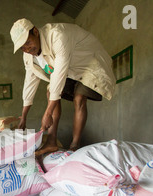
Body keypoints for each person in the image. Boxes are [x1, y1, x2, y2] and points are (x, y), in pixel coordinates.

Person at [10, 18, 116, 154]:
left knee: (79, 98)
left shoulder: (57, 36)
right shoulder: (28, 56)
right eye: (22, 48)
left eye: (28, 42)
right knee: (50, 93)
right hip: (69, 71)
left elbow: (59, 75)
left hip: (89, 64)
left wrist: (47, 113)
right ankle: (51, 141)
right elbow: (30, 82)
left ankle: (74, 145)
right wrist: (23, 116)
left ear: (35, 32)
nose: (27, 49)